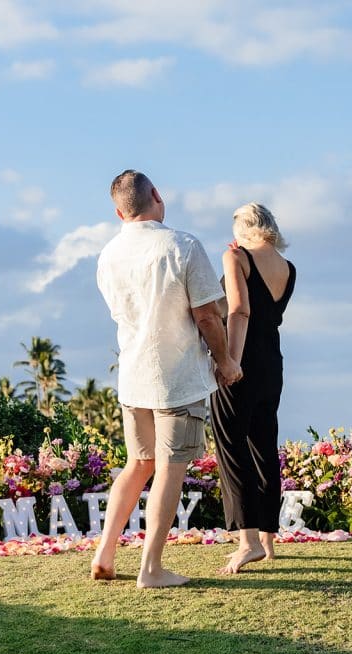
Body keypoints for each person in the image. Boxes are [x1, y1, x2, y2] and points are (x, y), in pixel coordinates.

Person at [91, 170, 242, 588]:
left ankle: (105, 553)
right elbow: (208, 315)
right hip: (176, 377)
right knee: (170, 469)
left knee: (138, 464)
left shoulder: (108, 255)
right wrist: (226, 361)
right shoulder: (182, 245)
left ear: (119, 211)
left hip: (133, 375)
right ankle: (151, 568)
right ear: (156, 195)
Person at [211, 203, 296, 574]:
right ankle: (267, 540)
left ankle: (246, 542)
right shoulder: (288, 267)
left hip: (242, 358)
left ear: (244, 230)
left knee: (231, 446)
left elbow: (239, 311)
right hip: (272, 362)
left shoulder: (237, 257)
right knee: (264, 447)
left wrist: (230, 362)